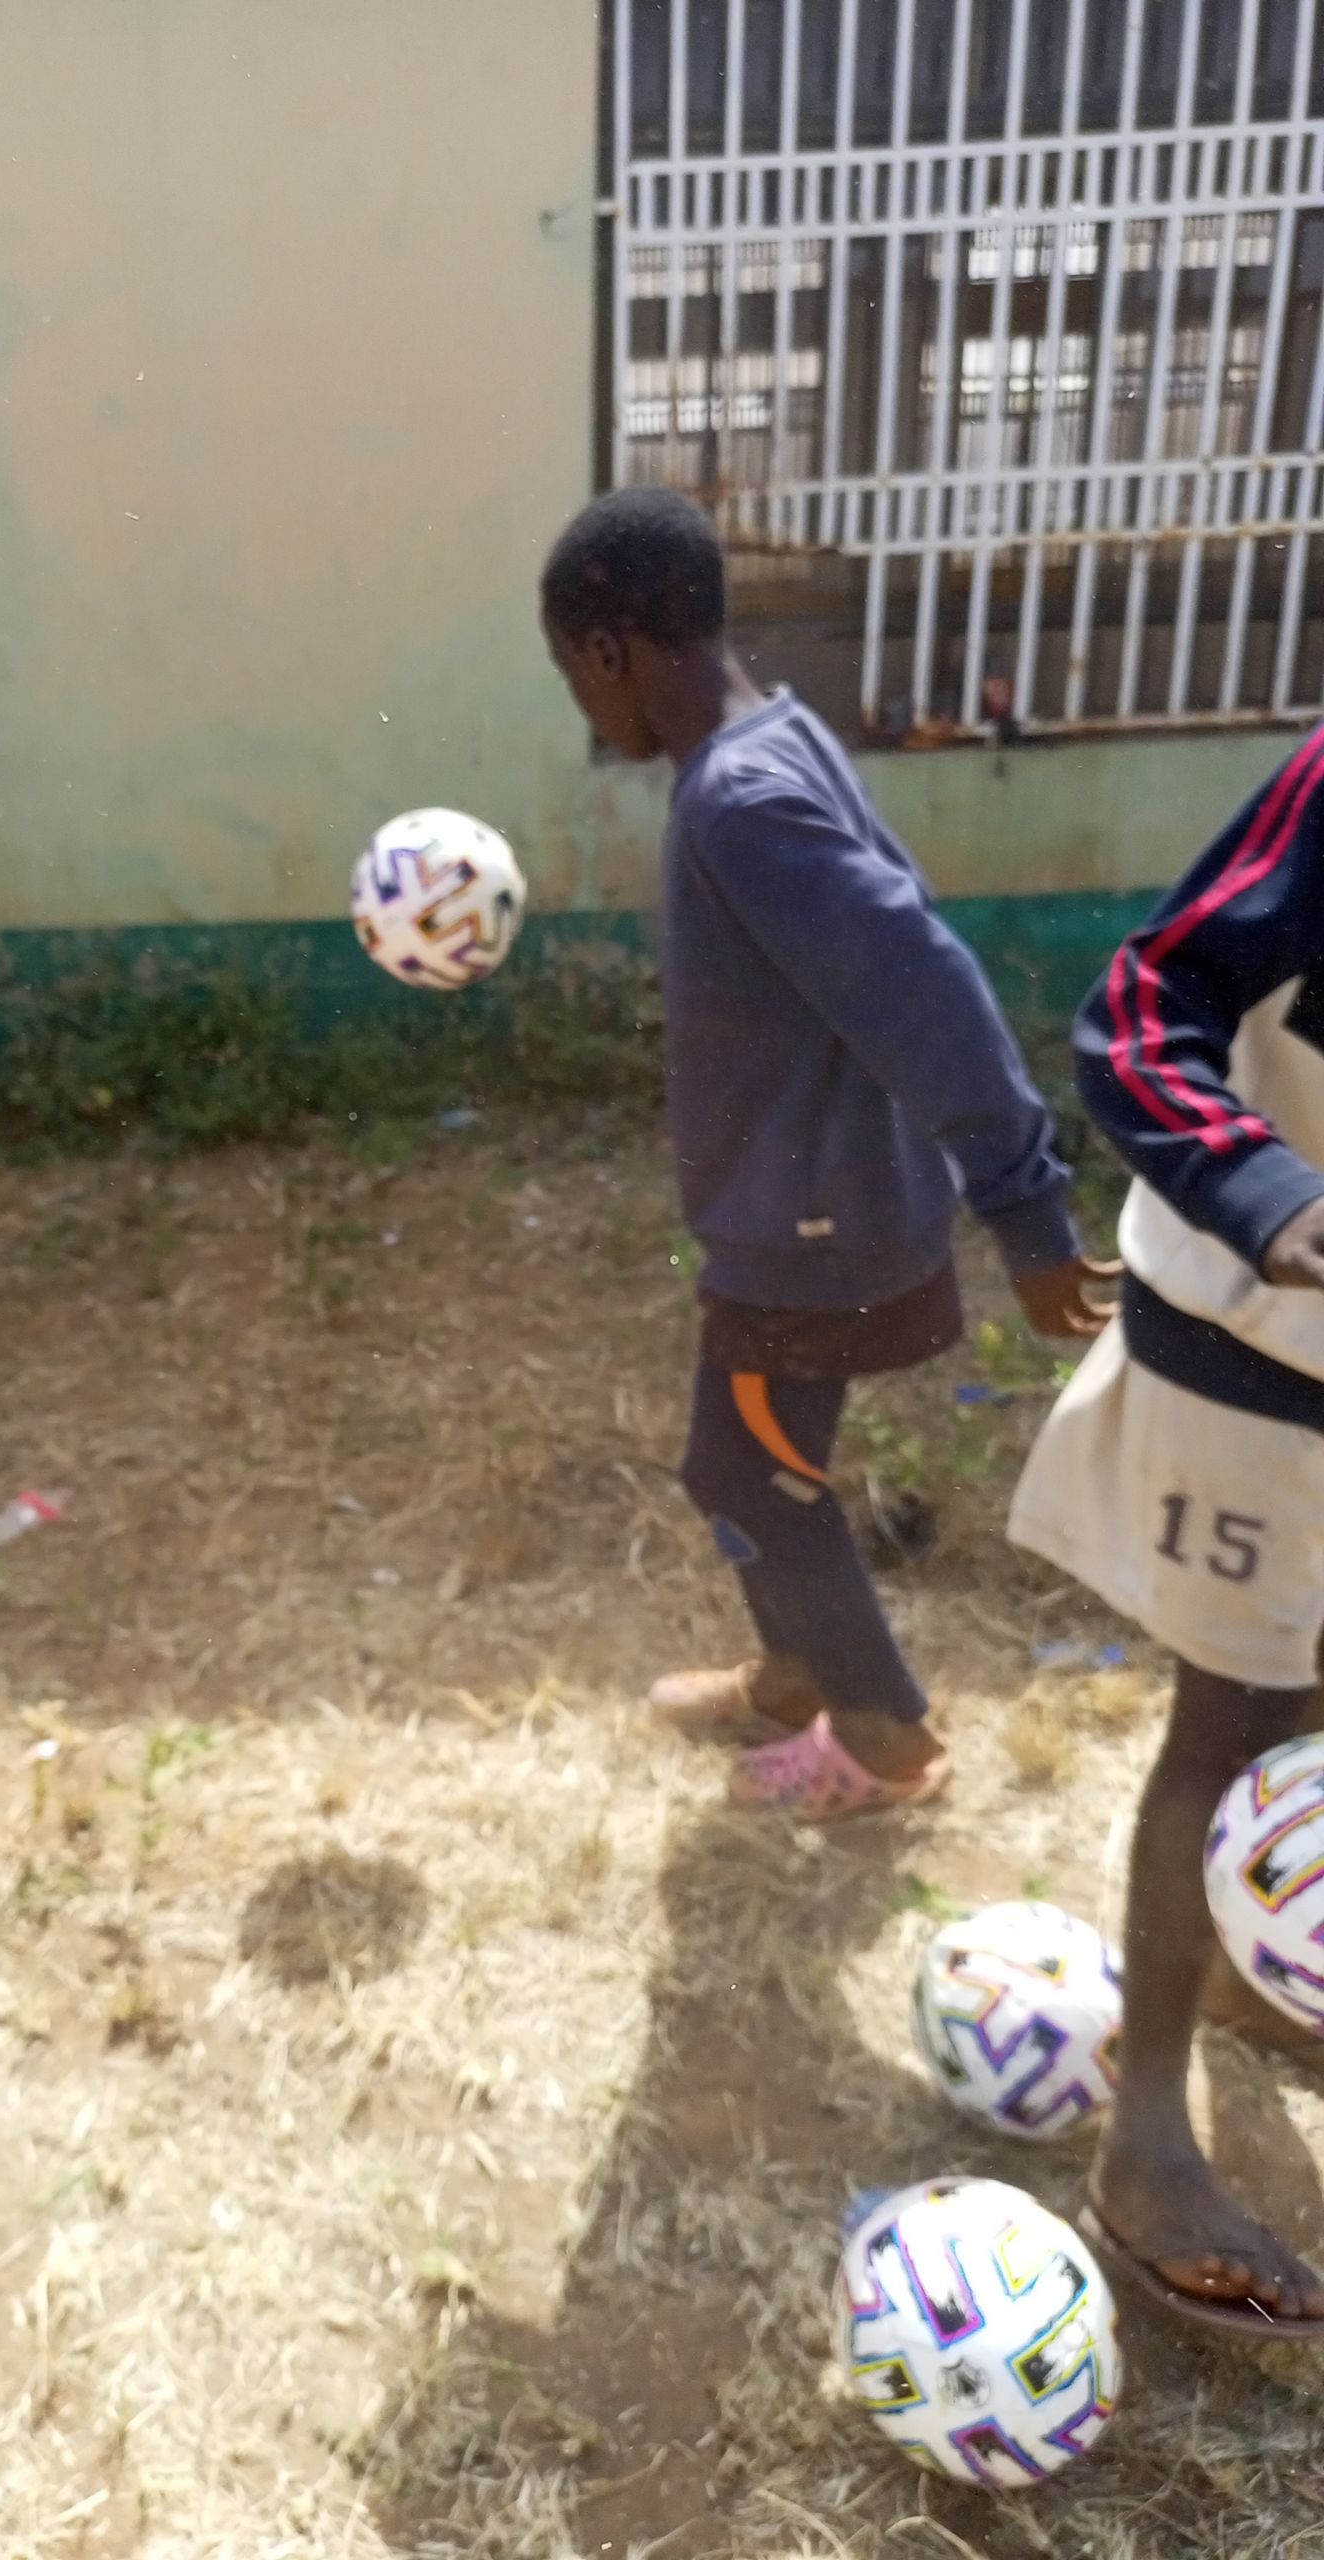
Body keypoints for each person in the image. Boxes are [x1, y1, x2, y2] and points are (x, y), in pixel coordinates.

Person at [539, 485, 1111, 1820]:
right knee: (766, 1456)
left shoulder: (740, 801)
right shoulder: (774, 738)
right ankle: (797, 1675)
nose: (583, 703)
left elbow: (925, 985)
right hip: (820, 1200)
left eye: (573, 672)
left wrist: (1026, 1207)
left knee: (740, 1470)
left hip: (810, 1228)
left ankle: (882, 1733)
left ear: (611, 649)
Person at [1010, 728, 1324, 2326]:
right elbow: (1140, 1011)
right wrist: (1270, 1199)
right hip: (1253, 1344)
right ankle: (1143, 2143)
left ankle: (1261, 1977)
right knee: (1240, 1718)